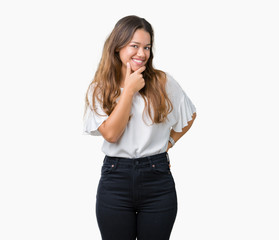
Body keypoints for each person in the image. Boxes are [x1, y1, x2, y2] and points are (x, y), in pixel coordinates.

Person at [83, 15, 196, 240]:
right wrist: (129, 91)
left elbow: (190, 115)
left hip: (157, 179)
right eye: (134, 46)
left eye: (147, 47)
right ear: (117, 47)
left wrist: (169, 143)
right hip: (115, 180)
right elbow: (112, 134)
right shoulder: (100, 87)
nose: (142, 53)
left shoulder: (162, 82)